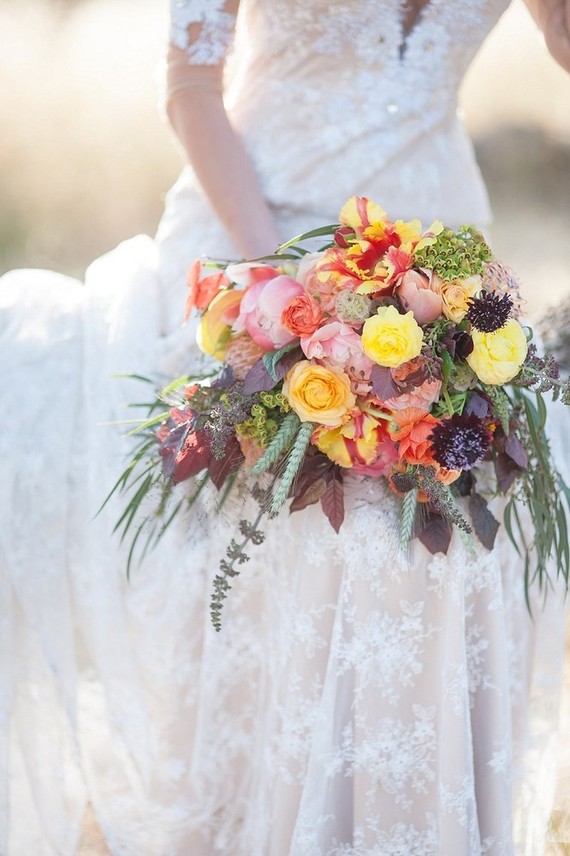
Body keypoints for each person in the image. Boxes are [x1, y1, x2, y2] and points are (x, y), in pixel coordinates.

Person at [1, 1, 569, 854]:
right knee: (312, 526)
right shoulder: (265, 266)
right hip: (255, 247)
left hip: (438, 272)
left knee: (469, 531)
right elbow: (191, 85)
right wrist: (283, 287)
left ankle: (426, 822)